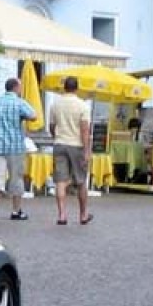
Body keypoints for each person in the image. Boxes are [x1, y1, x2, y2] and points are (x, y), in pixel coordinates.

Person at [0, 78, 37, 221]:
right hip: (15, 146)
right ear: (16, 88)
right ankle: (16, 211)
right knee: (16, 178)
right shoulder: (19, 102)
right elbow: (33, 115)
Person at [50, 75, 93, 226]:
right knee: (81, 181)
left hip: (60, 143)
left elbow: (52, 126)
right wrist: (87, 151)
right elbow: (85, 130)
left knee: (60, 181)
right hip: (77, 145)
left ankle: (62, 214)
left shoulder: (55, 104)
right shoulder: (83, 106)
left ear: (64, 87)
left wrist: (57, 137)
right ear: (77, 88)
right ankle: (83, 214)